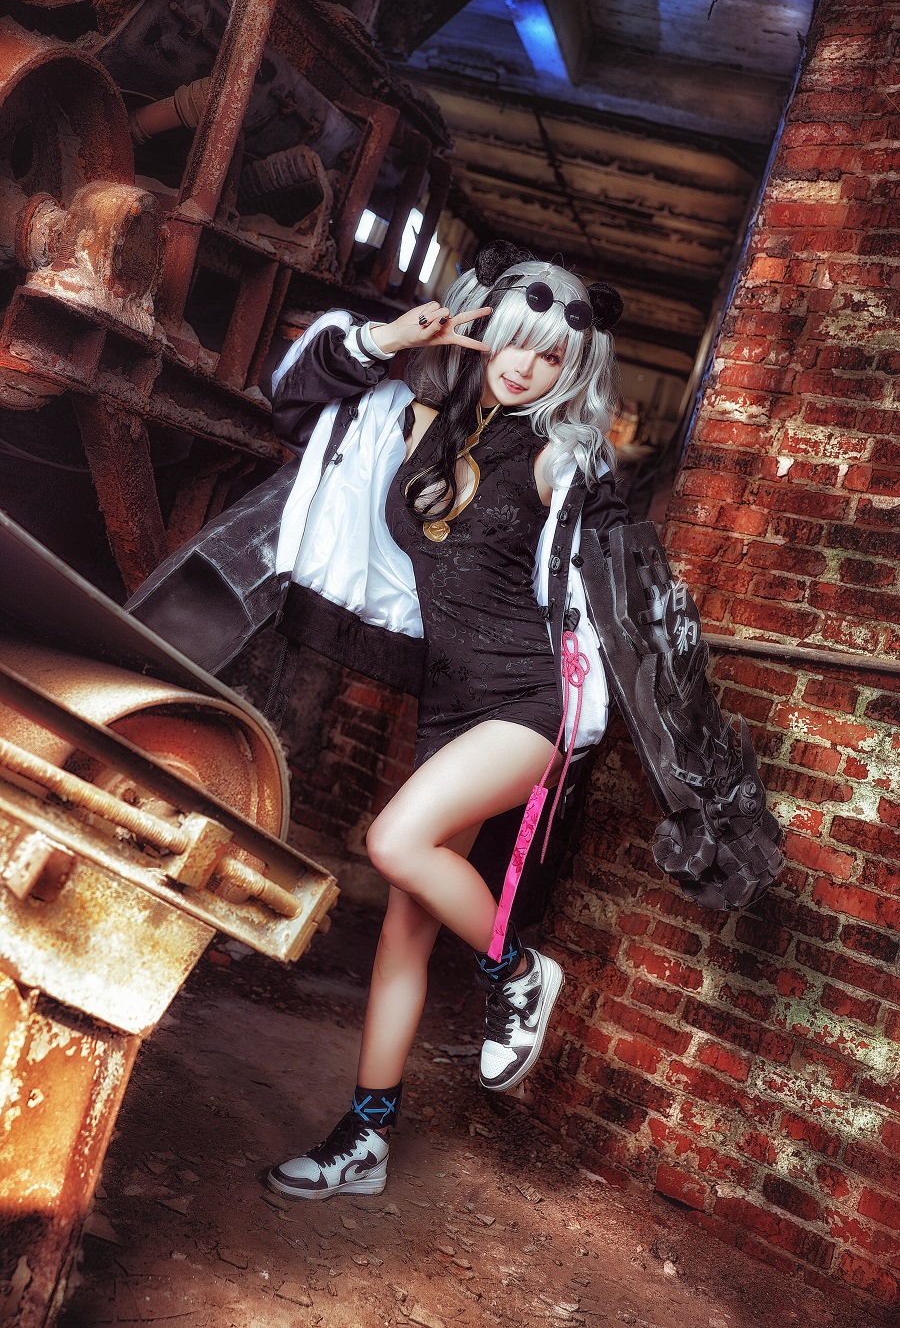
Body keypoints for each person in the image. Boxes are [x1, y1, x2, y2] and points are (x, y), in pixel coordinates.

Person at [127, 241, 783, 1203]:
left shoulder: (564, 460)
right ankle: (366, 1135)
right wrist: (390, 338)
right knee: (405, 931)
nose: (525, 366)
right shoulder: (417, 419)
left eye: (551, 357)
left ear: (574, 372)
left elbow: (634, 603)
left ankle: (515, 969)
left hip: (530, 703)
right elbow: (291, 397)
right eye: (513, 341)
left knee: (393, 840)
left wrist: (699, 779)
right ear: (482, 334)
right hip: (450, 706)